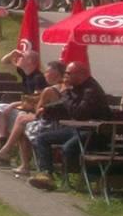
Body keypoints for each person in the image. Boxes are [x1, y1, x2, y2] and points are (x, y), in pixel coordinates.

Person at [28, 61, 111, 190]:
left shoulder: (91, 90)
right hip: (78, 129)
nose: (65, 76)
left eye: (68, 73)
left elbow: (79, 113)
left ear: (81, 74)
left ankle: (78, 180)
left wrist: (65, 92)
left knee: (68, 148)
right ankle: (47, 174)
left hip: (94, 132)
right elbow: (67, 103)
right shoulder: (79, 86)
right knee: (42, 138)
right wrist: (47, 108)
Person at [0, 59, 65, 173]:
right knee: (22, 121)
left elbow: (38, 111)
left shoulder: (49, 90)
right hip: (59, 124)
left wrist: (32, 106)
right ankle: (13, 157)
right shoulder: (63, 87)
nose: (45, 74)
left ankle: (9, 153)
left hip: (51, 125)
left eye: (47, 71)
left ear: (55, 74)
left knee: (22, 123)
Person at [0, 49, 47, 142]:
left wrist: (13, 105)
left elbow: (36, 99)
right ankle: (3, 140)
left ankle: (3, 144)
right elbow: (4, 61)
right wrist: (12, 53)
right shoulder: (24, 72)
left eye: (21, 57)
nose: (18, 58)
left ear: (29, 61)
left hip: (30, 110)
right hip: (23, 107)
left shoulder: (38, 78)